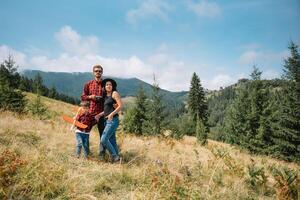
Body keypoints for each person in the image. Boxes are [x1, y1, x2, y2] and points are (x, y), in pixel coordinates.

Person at [81, 64, 106, 158]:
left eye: (99, 71)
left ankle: (101, 155)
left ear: (102, 72)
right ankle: (87, 153)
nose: (98, 72)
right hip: (90, 113)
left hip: (102, 113)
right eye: (96, 71)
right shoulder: (88, 84)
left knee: (103, 135)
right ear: (93, 72)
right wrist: (91, 97)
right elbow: (83, 97)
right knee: (85, 132)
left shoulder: (106, 84)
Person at [100, 78, 122, 163]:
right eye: (107, 85)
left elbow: (120, 106)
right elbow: (106, 110)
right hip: (107, 120)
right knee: (112, 140)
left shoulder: (114, 93)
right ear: (104, 87)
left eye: (110, 85)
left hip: (113, 120)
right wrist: (99, 115)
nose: (108, 86)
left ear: (113, 86)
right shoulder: (106, 97)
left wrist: (112, 114)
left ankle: (115, 157)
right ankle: (118, 160)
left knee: (103, 139)